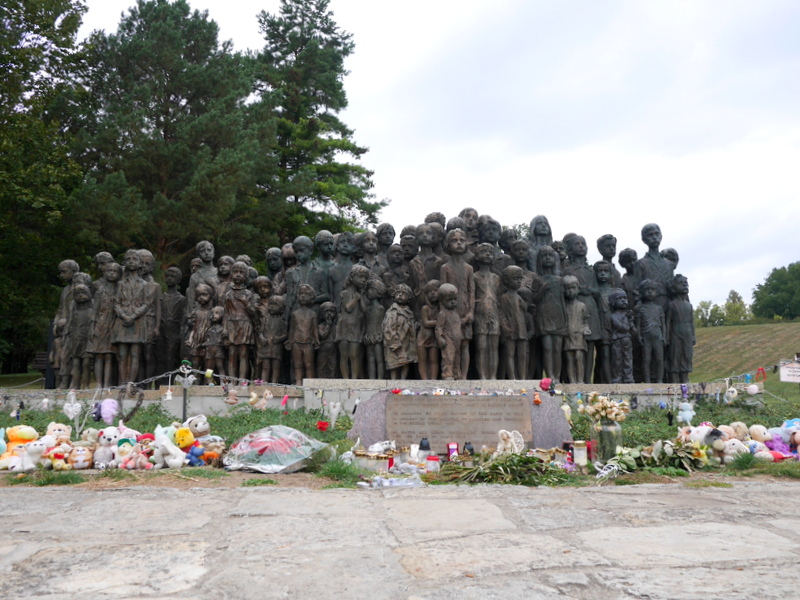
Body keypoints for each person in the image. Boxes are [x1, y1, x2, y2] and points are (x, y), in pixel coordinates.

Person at [439, 228, 475, 379]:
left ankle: (463, 376)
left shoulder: (469, 268)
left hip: (465, 310)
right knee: (450, 345)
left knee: (464, 344)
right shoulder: (445, 268)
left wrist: (471, 311)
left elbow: (471, 291)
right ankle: (451, 374)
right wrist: (444, 314)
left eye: (462, 240)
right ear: (448, 244)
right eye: (454, 240)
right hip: (450, 312)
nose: (459, 243)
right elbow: (442, 292)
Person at [112, 249, 149, 383]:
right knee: (122, 354)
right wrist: (124, 315)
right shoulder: (120, 284)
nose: (131, 262)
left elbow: (146, 304)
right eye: (128, 259)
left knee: (135, 354)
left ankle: (130, 383)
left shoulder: (144, 284)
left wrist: (133, 316)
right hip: (122, 322)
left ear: (140, 263)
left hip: (137, 322)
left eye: (135, 259)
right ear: (124, 263)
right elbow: (116, 303)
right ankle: (122, 383)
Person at [87, 261, 122, 388]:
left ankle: (107, 383)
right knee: (99, 356)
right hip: (100, 325)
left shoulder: (120, 291)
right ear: (105, 273)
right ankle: (98, 384)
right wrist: (92, 327)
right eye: (109, 271)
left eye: (115, 271)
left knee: (109, 356)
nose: (112, 273)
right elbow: (94, 311)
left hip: (114, 326)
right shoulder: (100, 292)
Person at [222, 261, 256, 381]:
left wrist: (245, 302)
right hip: (231, 324)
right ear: (231, 274)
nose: (238, 274)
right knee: (232, 355)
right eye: (235, 272)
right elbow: (226, 312)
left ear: (246, 276)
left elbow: (253, 312)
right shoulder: (228, 294)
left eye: (241, 272)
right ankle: (232, 381)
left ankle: (242, 381)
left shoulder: (248, 294)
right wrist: (224, 328)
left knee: (243, 355)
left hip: (244, 324)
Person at [473, 243, 501, 380]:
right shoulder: (474, 276)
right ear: (477, 256)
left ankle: (493, 376)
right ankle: (483, 376)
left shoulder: (497, 278)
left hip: (494, 312)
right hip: (479, 312)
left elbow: (499, 297)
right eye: (483, 251)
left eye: (490, 252)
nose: (487, 254)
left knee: (493, 347)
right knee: (481, 346)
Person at [336, 264, 369, 379]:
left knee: (355, 355)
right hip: (344, 326)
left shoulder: (361, 294)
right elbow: (348, 308)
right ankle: (346, 379)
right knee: (344, 355)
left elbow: (364, 310)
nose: (363, 280)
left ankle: (354, 379)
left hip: (355, 327)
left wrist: (361, 297)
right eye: (360, 277)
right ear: (352, 277)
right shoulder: (345, 293)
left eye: (365, 278)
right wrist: (356, 298)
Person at [285, 283, 319, 384]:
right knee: (297, 364)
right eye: (301, 293)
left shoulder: (313, 314)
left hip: (308, 342)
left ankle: (310, 383)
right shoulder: (294, 314)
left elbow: (315, 329)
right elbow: (292, 329)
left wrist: (316, 340)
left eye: (306, 294)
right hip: (296, 341)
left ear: (312, 297)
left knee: (309, 364)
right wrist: (290, 341)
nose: (303, 296)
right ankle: (298, 382)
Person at [499, 266, 528, 380]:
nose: (519, 281)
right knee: (510, 354)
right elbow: (502, 314)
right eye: (516, 278)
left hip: (521, 329)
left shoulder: (520, 297)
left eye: (520, 278)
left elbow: (524, 313)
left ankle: (523, 377)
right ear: (507, 280)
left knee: (522, 355)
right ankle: (512, 377)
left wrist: (524, 306)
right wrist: (504, 326)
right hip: (511, 328)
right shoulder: (504, 297)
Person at [383, 283, 417, 380]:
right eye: (398, 293)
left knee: (405, 360)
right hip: (394, 341)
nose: (400, 295)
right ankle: (393, 380)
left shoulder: (409, 312)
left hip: (406, 342)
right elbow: (388, 327)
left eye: (404, 293)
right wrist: (394, 341)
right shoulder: (392, 311)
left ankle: (403, 379)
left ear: (409, 297)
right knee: (393, 362)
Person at [666, 274, 695, 383]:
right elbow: (668, 322)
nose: (684, 285)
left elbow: (691, 322)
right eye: (681, 283)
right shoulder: (672, 305)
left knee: (687, 355)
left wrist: (693, 336)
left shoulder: (689, 305)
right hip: (675, 332)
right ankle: (674, 379)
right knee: (675, 355)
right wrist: (666, 336)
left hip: (687, 333)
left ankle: (684, 379)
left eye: (685, 284)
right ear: (674, 288)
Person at [563, 275, 590, 384]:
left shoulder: (582, 306)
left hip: (579, 335)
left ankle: (580, 380)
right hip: (567, 336)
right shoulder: (564, 306)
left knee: (579, 358)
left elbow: (586, 321)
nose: (570, 291)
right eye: (568, 288)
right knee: (569, 359)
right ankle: (572, 380)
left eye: (573, 288)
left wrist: (586, 329)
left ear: (578, 289)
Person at [637, 278, 666, 383]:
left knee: (659, 359)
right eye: (647, 289)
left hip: (658, 336)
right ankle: (647, 380)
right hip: (646, 337)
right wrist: (639, 336)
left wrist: (664, 336)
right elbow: (638, 325)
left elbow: (663, 324)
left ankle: (659, 380)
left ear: (656, 292)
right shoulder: (641, 309)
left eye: (652, 289)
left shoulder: (659, 308)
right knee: (646, 360)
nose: (650, 292)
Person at [435, 283, 463, 380]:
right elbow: (438, 327)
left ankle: (456, 374)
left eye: (454, 299)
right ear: (442, 301)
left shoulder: (456, 313)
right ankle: (447, 374)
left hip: (457, 340)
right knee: (448, 358)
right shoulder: (443, 314)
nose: (453, 302)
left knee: (457, 358)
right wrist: (439, 338)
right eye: (449, 300)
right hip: (448, 340)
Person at [416, 279, 441, 380]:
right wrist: (440, 322)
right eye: (430, 292)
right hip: (423, 337)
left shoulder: (440, 309)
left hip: (434, 338)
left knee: (433, 359)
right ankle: (424, 380)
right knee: (422, 360)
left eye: (435, 290)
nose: (432, 293)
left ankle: (433, 379)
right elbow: (426, 323)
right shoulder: (425, 308)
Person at [609, 288, 634, 383]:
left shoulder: (628, 316)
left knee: (628, 359)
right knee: (617, 360)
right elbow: (623, 327)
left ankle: (628, 378)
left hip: (627, 340)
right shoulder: (614, 316)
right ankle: (617, 378)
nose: (623, 300)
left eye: (625, 298)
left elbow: (634, 331)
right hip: (617, 340)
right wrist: (627, 318)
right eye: (620, 298)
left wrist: (631, 321)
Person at [364, 278, 387, 379]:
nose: (368, 291)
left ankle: (380, 379)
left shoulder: (380, 308)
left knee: (379, 359)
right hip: (369, 335)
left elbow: (381, 323)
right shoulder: (368, 308)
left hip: (378, 336)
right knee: (370, 359)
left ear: (378, 293)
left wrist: (379, 334)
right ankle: (372, 379)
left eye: (371, 289)